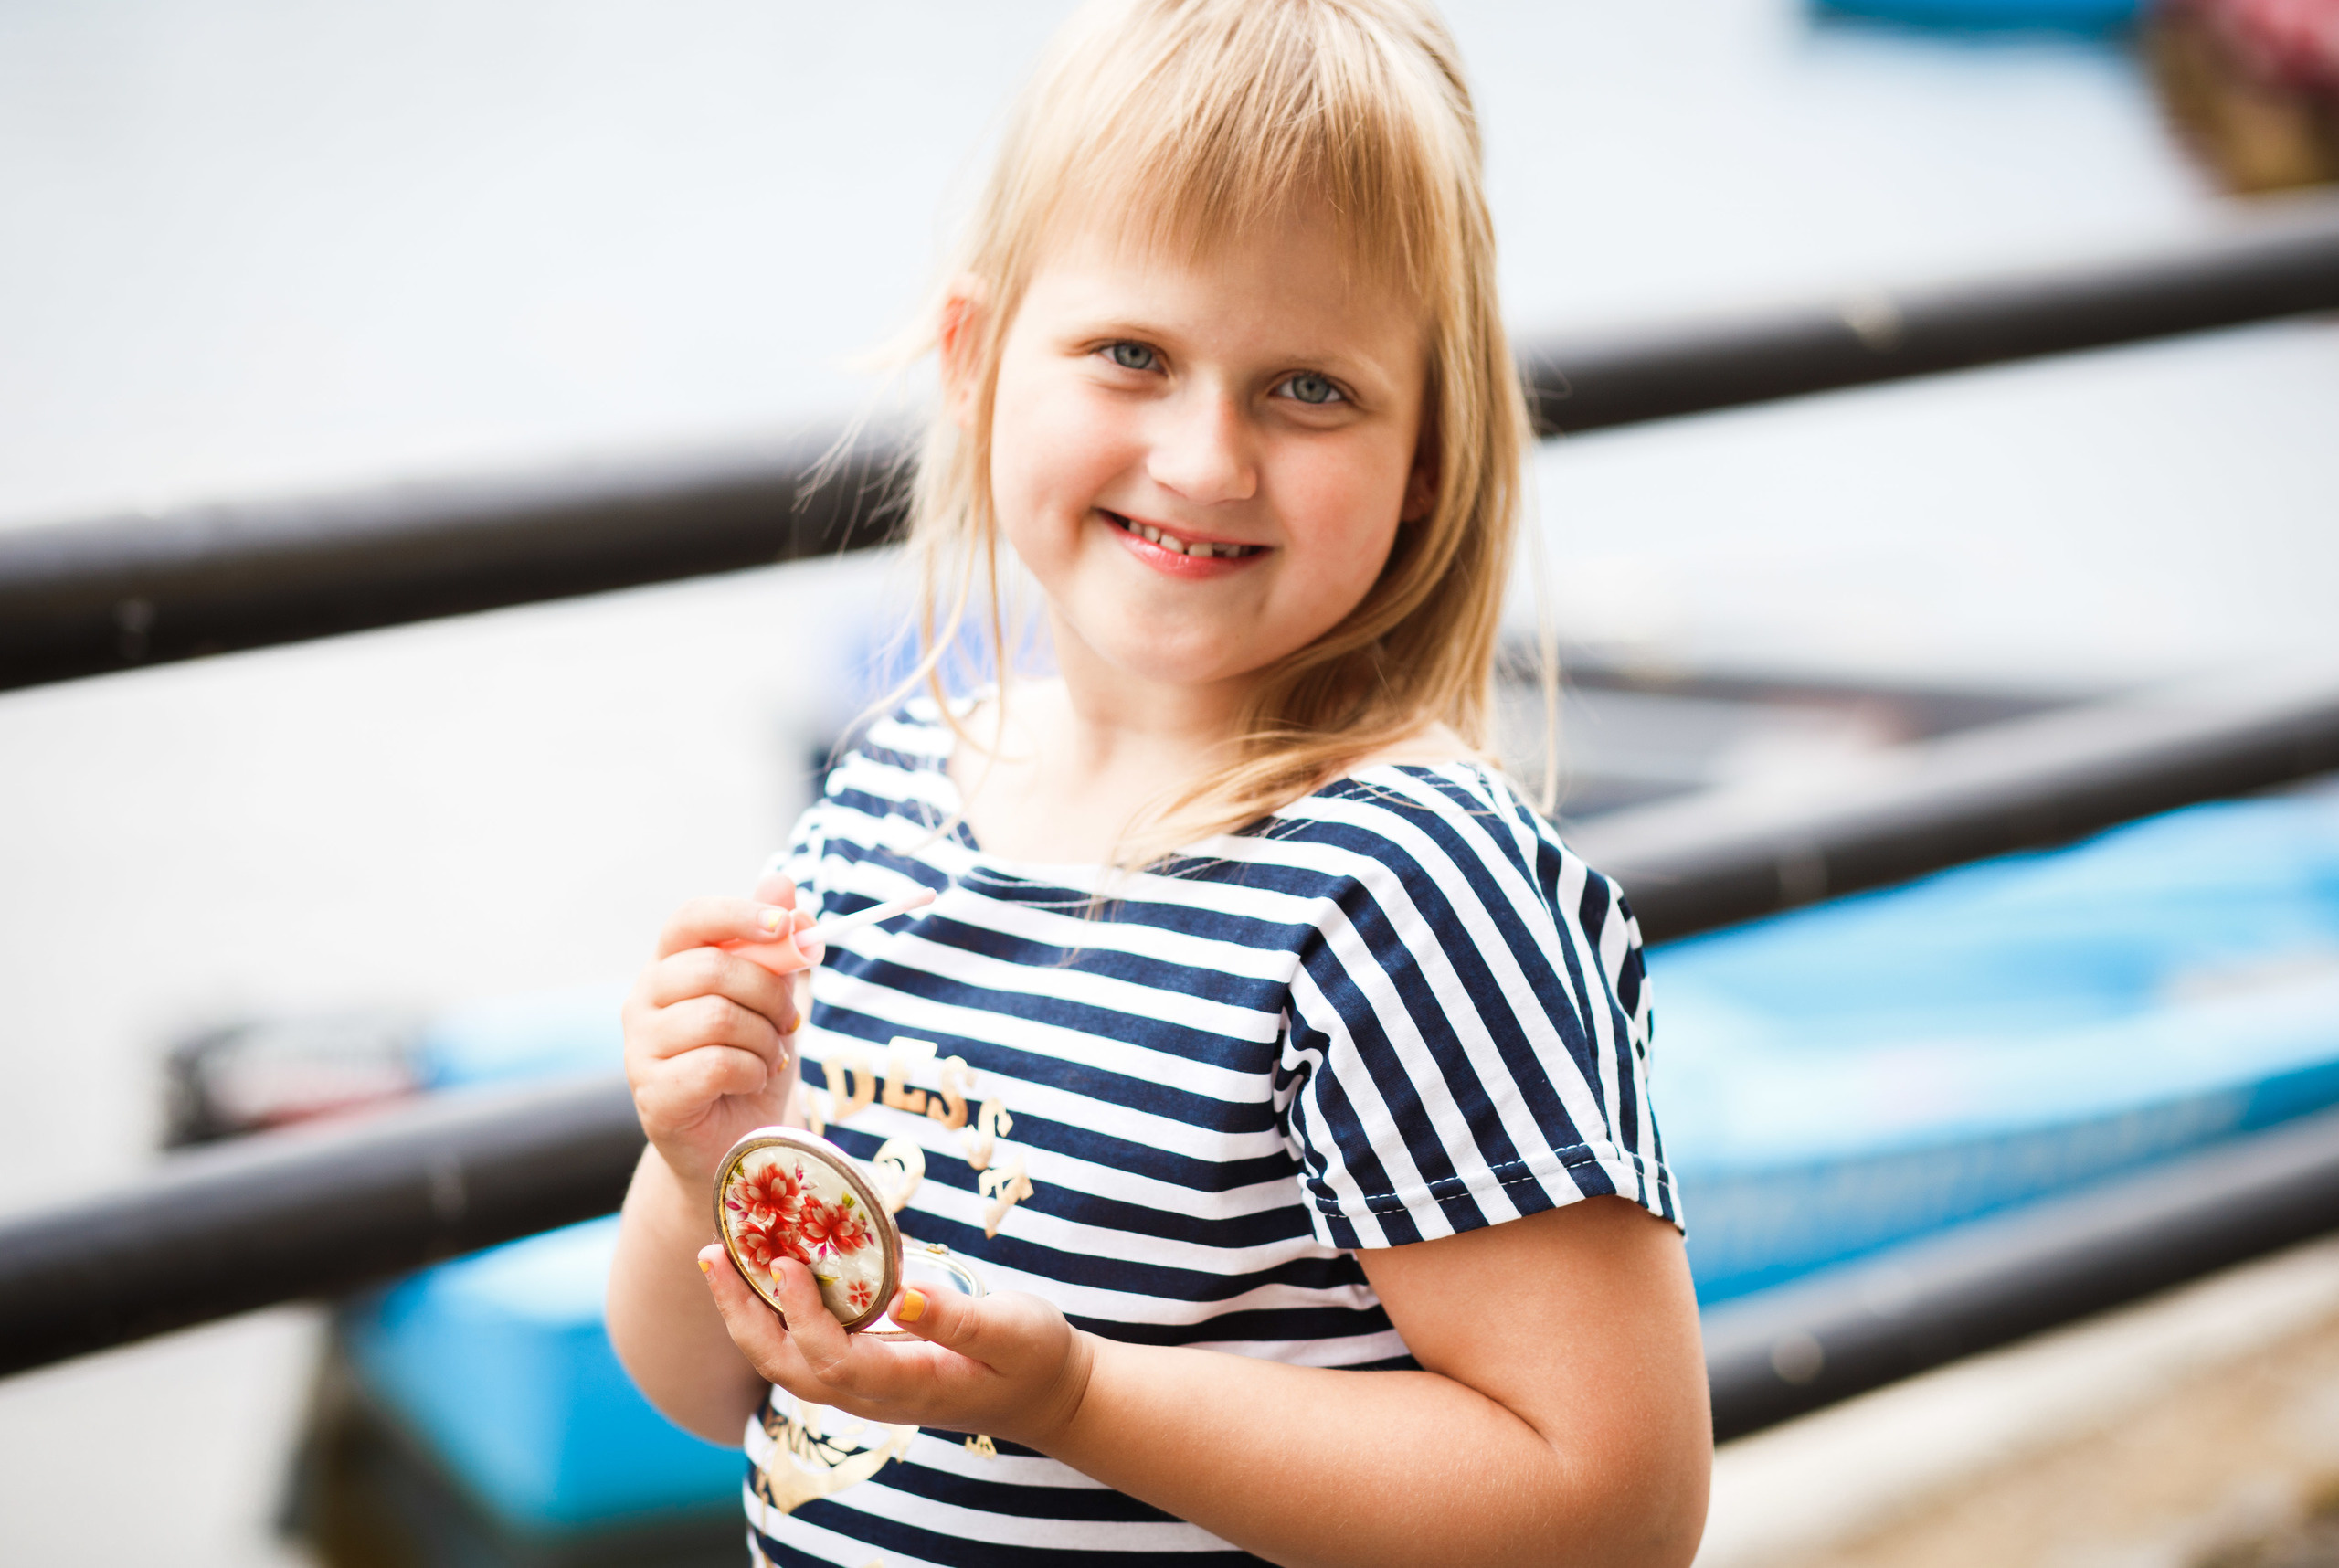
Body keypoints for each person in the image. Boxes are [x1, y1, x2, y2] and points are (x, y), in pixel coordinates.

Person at [605, 2, 1711, 1563]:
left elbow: (1614, 1508)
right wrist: (706, 1154)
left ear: (1429, 462)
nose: (1205, 460)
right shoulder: (888, 798)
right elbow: (707, 1386)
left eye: (1308, 389)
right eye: (1133, 354)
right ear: (980, 362)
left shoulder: (1407, 894)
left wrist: (1080, 1402)